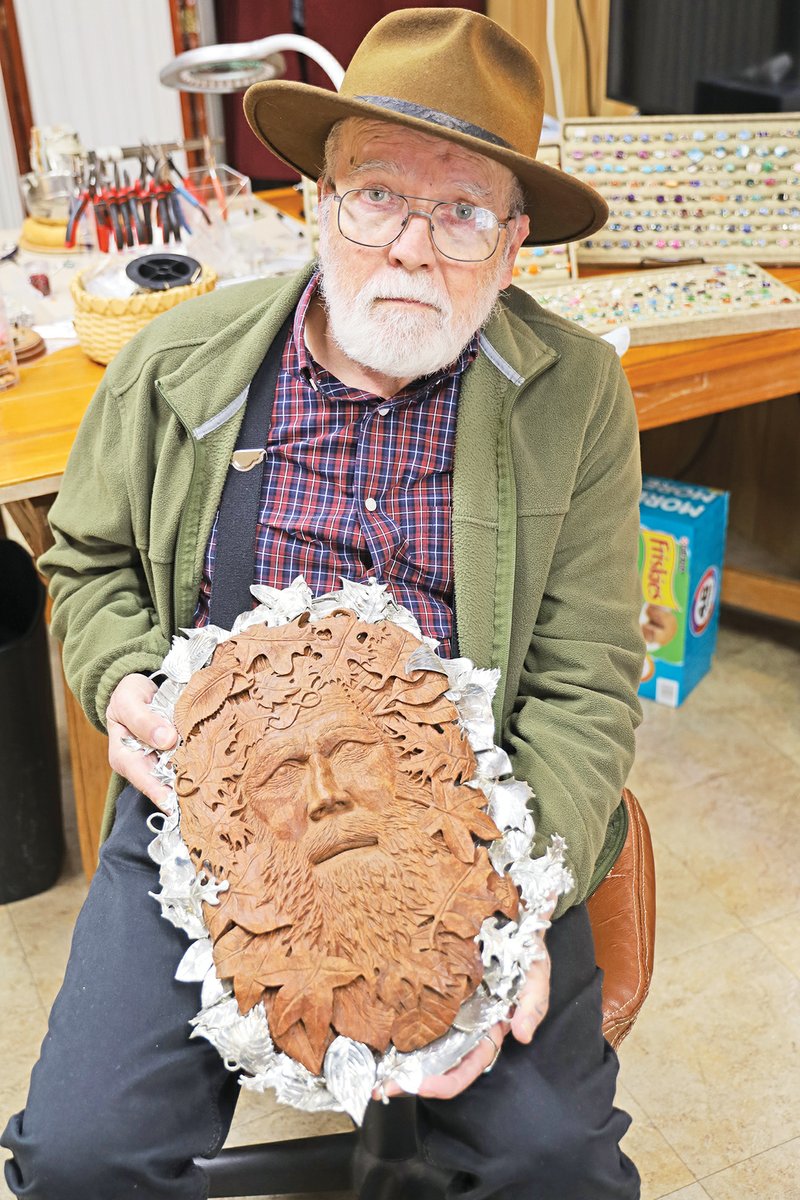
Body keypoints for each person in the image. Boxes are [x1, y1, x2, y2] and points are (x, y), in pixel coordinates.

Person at [2, 8, 645, 1198]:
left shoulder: (577, 398)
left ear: (510, 247)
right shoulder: (173, 365)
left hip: (472, 833)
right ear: (317, 205)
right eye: (378, 194)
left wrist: (518, 883)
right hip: (218, 825)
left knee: (553, 1168)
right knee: (80, 1161)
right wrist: (124, 689)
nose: (411, 245)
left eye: (460, 211)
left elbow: (589, 674)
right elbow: (84, 564)